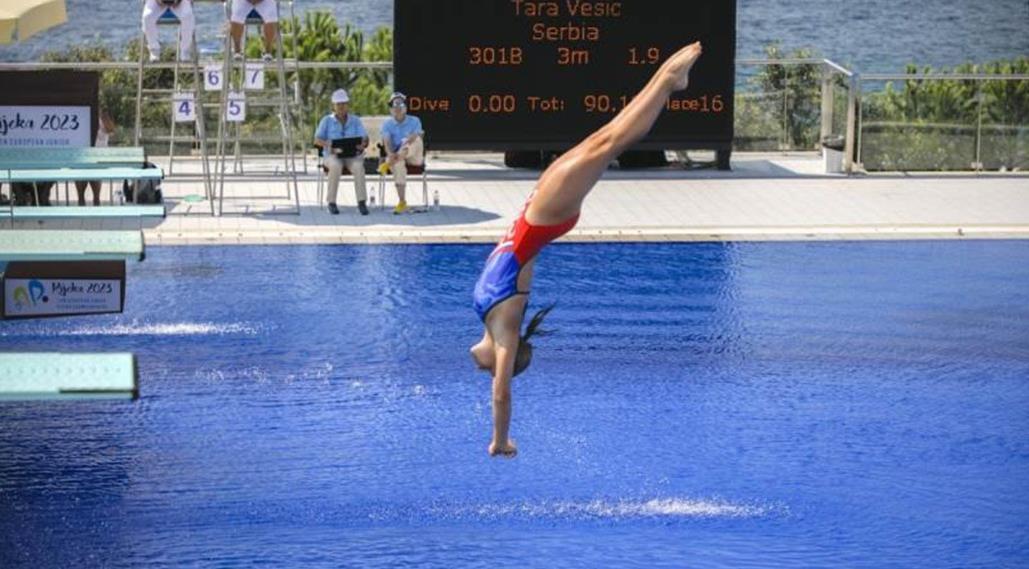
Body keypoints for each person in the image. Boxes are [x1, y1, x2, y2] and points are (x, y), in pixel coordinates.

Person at [469, 42, 704, 459]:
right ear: (503, 360)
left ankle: (669, 80)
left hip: (536, 206)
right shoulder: (504, 332)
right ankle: (668, 82)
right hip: (545, 215)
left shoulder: (486, 314)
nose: (481, 369)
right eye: (487, 370)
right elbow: (502, 396)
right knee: (610, 142)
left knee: (604, 136)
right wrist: (500, 441)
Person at [314, 89, 370, 215]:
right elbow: (317, 140)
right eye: (338, 104)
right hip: (332, 154)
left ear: (347, 105)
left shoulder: (355, 120)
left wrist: (363, 144)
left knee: (358, 166)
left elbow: (364, 138)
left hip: (352, 155)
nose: (341, 107)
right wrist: (329, 145)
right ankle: (331, 202)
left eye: (343, 104)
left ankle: (362, 202)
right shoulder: (326, 120)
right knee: (335, 165)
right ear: (333, 106)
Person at [378, 92, 424, 215]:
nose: (397, 108)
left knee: (413, 140)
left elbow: (416, 136)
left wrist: (405, 144)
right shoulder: (387, 124)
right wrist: (389, 153)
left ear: (406, 108)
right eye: (394, 105)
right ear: (390, 109)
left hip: (415, 156)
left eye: (401, 104)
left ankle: (389, 163)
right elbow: (386, 141)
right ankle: (402, 201)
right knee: (398, 164)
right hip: (398, 156)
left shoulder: (415, 120)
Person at [75, 109, 116, 207]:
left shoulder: (103, 118)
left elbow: (111, 130)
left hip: (98, 156)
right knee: (80, 173)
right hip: (83, 155)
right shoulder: (80, 118)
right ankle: (81, 200)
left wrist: (103, 117)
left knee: (95, 176)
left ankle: (96, 200)